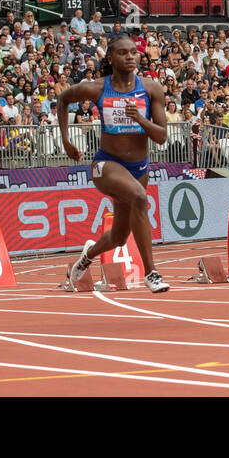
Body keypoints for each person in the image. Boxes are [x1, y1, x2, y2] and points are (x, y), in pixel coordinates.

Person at [62, 35, 172, 294]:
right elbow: (64, 99)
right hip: (106, 164)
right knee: (140, 197)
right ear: (110, 59)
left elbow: (161, 136)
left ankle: (87, 256)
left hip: (139, 167)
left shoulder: (151, 88)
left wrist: (140, 120)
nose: (131, 56)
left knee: (119, 237)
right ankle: (151, 273)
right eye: (123, 53)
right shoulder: (97, 88)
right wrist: (66, 139)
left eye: (134, 52)